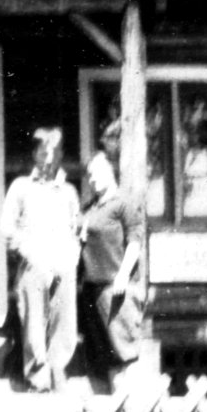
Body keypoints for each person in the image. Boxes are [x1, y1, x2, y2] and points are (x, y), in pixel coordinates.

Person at [0, 128, 80, 392]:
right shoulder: (20, 187)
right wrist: (32, 257)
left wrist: (71, 259)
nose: (48, 158)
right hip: (33, 266)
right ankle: (37, 377)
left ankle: (58, 370)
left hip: (63, 265)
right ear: (34, 154)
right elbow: (7, 229)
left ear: (61, 156)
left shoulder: (68, 191)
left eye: (54, 152)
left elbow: (77, 229)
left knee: (64, 322)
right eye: (43, 152)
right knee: (34, 324)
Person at [80, 152, 144, 392]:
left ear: (110, 171)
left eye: (98, 173)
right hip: (91, 288)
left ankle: (129, 411)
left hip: (115, 289)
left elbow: (135, 241)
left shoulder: (123, 203)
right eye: (89, 175)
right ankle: (114, 411)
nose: (93, 179)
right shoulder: (90, 207)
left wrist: (123, 274)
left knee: (123, 350)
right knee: (102, 352)